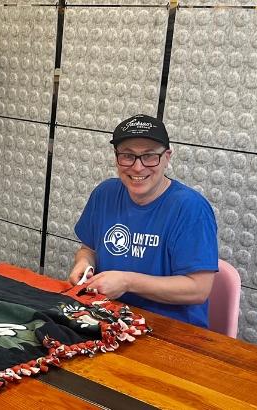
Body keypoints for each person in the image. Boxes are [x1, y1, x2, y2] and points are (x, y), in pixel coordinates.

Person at [68, 114, 218, 328]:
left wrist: (128, 282)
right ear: (116, 157)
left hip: (172, 330)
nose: (138, 167)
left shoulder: (191, 208)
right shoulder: (105, 193)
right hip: (107, 316)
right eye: (128, 156)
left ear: (167, 157)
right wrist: (84, 264)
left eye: (149, 156)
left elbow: (198, 289)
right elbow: (88, 249)